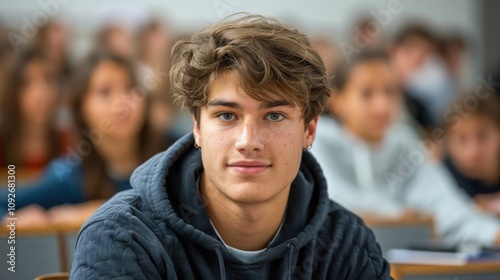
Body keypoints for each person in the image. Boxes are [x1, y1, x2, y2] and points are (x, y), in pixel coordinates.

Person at [71, 15, 391, 279]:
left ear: (309, 129)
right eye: (227, 115)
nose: (248, 141)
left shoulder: (347, 243)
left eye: (274, 116)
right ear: (197, 127)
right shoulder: (121, 238)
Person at [311, 50, 500, 246]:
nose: (382, 105)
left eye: (390, 92)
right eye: (367, 94)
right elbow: (334, 198)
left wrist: (491, 232)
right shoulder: (318, 140)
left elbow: (445, 205)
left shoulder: (405, 144)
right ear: (337, 100)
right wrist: (401, 215)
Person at [0, 52, 167, 218]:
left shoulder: (177, 151)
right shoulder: (69, 175)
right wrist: (12, 223)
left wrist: (100, 210)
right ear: (80, 108)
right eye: (105, 92)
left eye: (130, 88)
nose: (122, 102)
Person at [0, 48, 70, 171]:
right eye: (27, 83)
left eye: (48, 79)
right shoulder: (3, 143)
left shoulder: (67, 142)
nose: (41, 93)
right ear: (11, 90)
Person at [443, 94, 500, 214]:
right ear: (448, 144)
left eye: (482, 136)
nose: (474, 150)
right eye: (462, 139)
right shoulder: (441, 176)